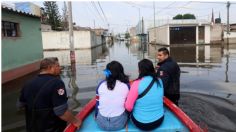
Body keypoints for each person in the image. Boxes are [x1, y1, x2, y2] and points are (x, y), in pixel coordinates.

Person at [18, 57, 81, 132]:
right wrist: (76, 121)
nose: (60, 68)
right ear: (50, 68)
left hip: (32, 128)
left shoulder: (28, 83)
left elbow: (20, 105)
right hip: (52, 128)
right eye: (57, 66)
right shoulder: (57, 83)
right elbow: (61, 112)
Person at [125, 59, 164, 131]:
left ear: (139, 70)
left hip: (141, 123)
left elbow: (128, 107)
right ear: (152, 69)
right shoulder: (159, 80)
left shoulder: (136, 83)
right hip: (159, 120)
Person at [95, 61, 130, 131]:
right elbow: (128, 105)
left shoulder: (100, 85)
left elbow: (97, 104)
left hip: (101, 123)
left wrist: (96, 115)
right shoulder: (126, 86)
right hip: (119, 124)